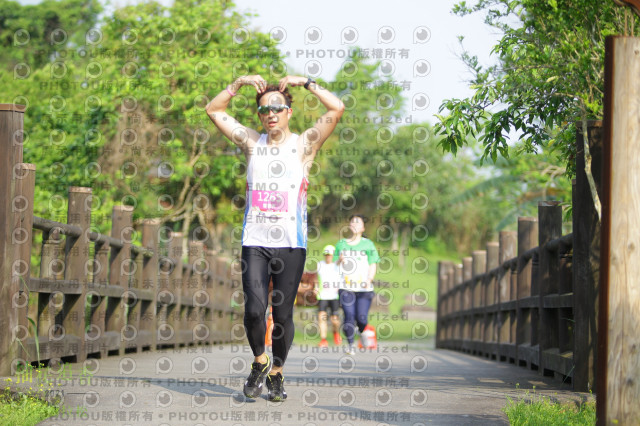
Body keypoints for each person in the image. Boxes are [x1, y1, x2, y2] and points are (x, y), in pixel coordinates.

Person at [205, 74, 344, 401]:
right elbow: (213, 110)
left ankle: (277, 373)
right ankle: (260, 361)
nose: (270, 113)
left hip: (291, 245)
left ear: (288, 112)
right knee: (255, 310)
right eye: (264, 109)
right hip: (254, 242)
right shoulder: (252, 143)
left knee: (282, 316)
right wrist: (238, 83)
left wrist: (306, 82)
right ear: (259, 115)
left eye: (277, 108)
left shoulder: (304, 145)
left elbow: (336, 108)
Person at [334, 215, 380, 355]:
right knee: (349, 315)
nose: (354, 224)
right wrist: (339, 260)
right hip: (346, 287)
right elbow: (334, 265)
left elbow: (373, 264)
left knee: (361, 318)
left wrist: (369, 279)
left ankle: (362, 330)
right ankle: (350, 345)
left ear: (363, 228)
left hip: (364, 288)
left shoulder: (368, 244)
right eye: (352, 221)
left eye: (357, 222)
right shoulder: (341, 244)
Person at [314, 245, 343, 347]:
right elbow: (316, 278)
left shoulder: (337, 265)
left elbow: (340, 261)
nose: (328, 257)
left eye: (330, 255)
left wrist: (341, 257)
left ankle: (336, 332)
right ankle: (323, 339)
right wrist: (316, 287)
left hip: (334, 296)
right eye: (326, 254)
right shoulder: (320, 265)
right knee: (322, 317)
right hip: (322, 295)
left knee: (334, 320)